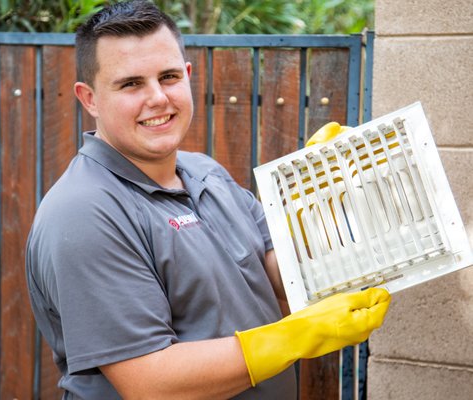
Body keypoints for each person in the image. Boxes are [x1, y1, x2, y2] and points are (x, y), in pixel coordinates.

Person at [25, 1, 391, 399]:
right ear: (90, 98)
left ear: (187, 76)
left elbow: (281, 277)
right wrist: (295, 336)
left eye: (168, 77)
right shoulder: (85, 213)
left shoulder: (205, 172)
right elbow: (151, 383)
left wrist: (321, 197)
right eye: (131, 84)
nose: (158, 98)